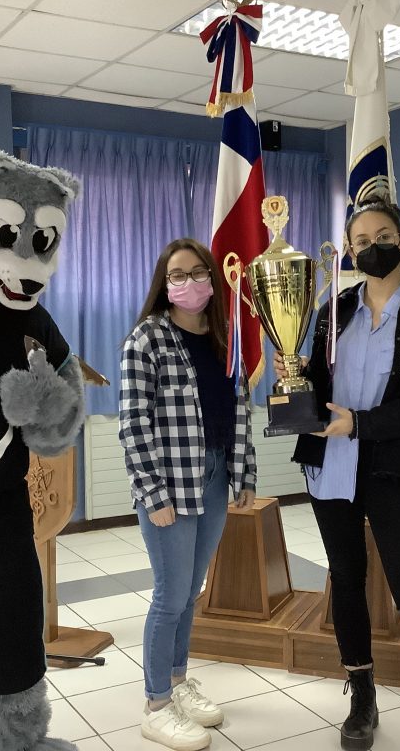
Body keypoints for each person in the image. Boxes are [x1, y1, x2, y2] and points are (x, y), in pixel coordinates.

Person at [277, 197, 400, 751]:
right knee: (345, 579)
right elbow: (318, 381)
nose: (373, 247)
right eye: (361, 241)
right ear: (349, 250)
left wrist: (360, 424)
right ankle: (361, 696)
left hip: (397, 472)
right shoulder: (334, 310)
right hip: (331, 468)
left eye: (383, 236)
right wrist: (294, 378)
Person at [119, 238, 257, 751]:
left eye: (199, 273)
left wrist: (245, 475)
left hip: (216, 475)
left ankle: (177, 681)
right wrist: (152, 493)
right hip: (169, 483)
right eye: (177, 275)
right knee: (170, 594)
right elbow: (133, 424)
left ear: (213, 280)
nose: (189, 283)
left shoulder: (225, 338)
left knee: (192, 590)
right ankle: (156, 705)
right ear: (164, 283)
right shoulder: (147, 339)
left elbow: (239, 411)